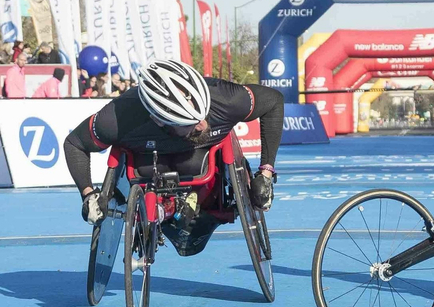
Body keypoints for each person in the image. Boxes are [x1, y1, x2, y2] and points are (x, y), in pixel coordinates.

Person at [65, 59, 283, 257]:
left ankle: (197, 208)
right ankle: (166, 211)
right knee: (146, 168)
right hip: (150, 163)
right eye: (190, 124)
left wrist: (265, 172)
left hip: (206, 171)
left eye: (203, 114)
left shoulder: (227, 97)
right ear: (159, 120)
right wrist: (88, 194)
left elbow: (274, 101)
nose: (202, 125)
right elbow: (74, 144)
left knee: (192, 163)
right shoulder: (119, 117)